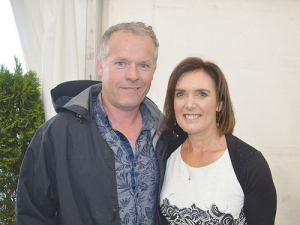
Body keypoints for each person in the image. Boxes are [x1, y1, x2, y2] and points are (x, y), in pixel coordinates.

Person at [15, 22, 163, 225]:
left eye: (143, 65)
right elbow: (32, 216)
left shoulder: (166, 134)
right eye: (121, 63)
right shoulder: (56, 135)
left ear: (153, 70)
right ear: (101, 66)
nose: (133, 75)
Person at [156, 57, 277, 225]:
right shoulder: (165, 153)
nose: (189, 104)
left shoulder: (250, 163)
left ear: (219, 103)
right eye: (180, 94)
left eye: (202, 94)